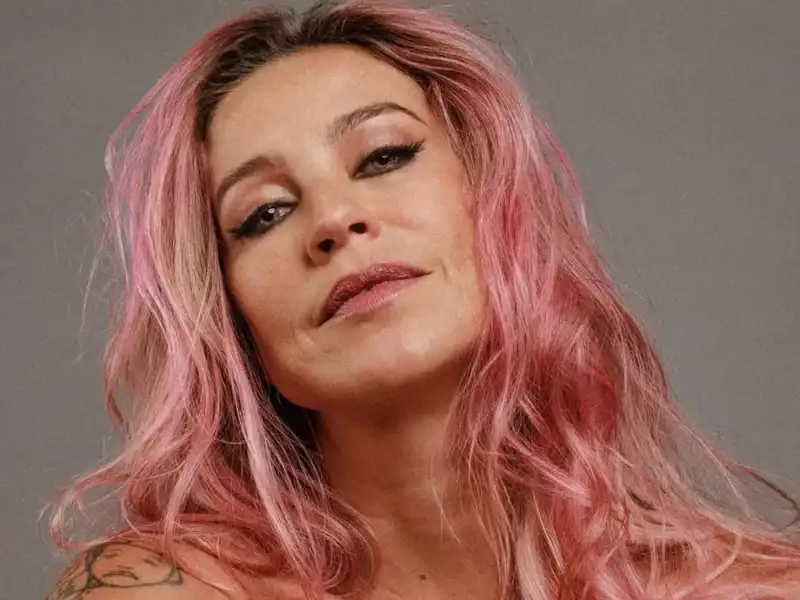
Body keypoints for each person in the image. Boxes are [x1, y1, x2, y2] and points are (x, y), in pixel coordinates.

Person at [44, 0, 800, 599]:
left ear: (494, 202)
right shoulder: (157, 589)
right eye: (265, 213)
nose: (336, 220)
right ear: (233, 324)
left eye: (384, 156)